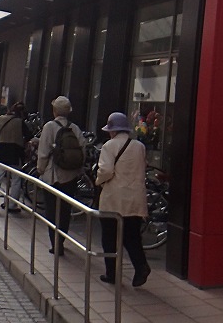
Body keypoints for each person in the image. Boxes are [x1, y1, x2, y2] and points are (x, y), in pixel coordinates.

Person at [94, 111, 151, 287]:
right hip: (135, 199)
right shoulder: (139, 146)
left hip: (114, 198)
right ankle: (141, 266)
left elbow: (105, 171)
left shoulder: (109, 146)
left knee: (109, 238)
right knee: (132, 236)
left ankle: (111, 273)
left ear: (113, 130)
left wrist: (98, 181)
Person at [36, 95, 86, 254]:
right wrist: (78, 171)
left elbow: (43, 151)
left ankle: (55, 244)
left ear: (55, 110)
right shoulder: (75, 128)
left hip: (53, 176)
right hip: (70, 176)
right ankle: (62, 240)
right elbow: (82, 151)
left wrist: (40, 169)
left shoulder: (49, 127)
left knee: (52, 211)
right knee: (65, 211)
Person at [0, 101, 31, 213]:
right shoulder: (20, 122)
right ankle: (11, 205)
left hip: (2, 151)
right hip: (15, 153)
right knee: (16, 180)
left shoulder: (1, 119)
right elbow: (29, 136)